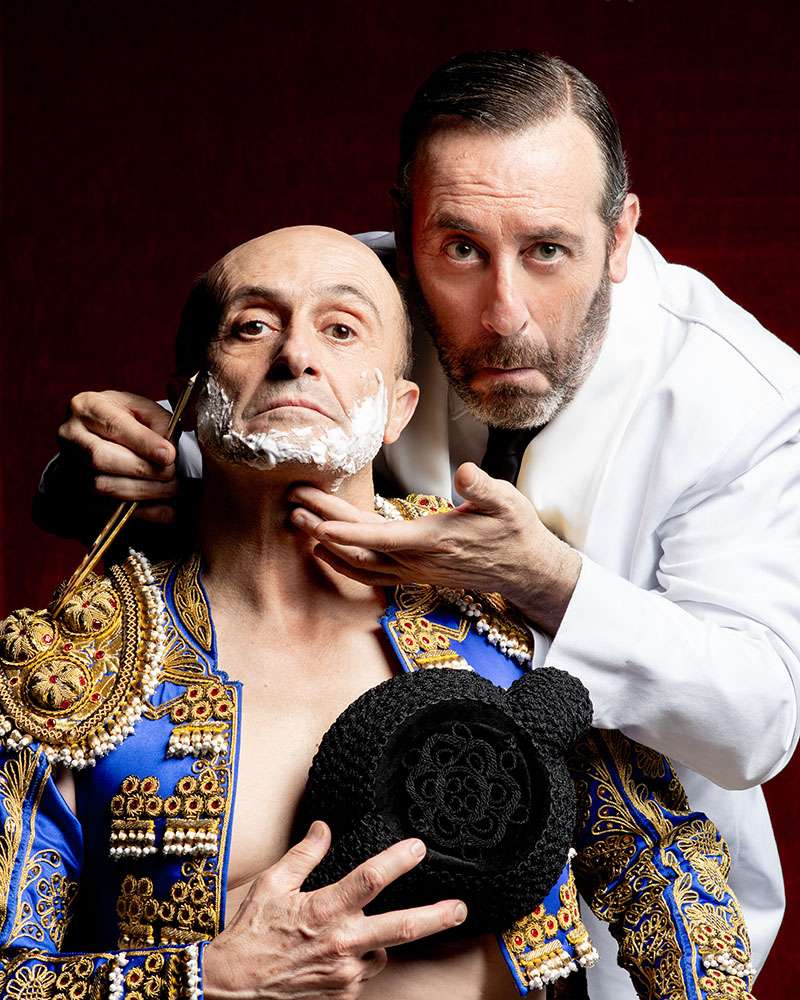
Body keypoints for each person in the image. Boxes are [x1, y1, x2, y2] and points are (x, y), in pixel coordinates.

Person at [33, 50, 800, 999]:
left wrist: (543, 580)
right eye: (460, 251)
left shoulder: (739, 397)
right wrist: (118, 456)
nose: (504, 313)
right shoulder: (348, 293)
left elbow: (754, 722)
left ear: (620, 237)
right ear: (407, 236)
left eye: (548, 251)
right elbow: (245, 400)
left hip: (581, 929)